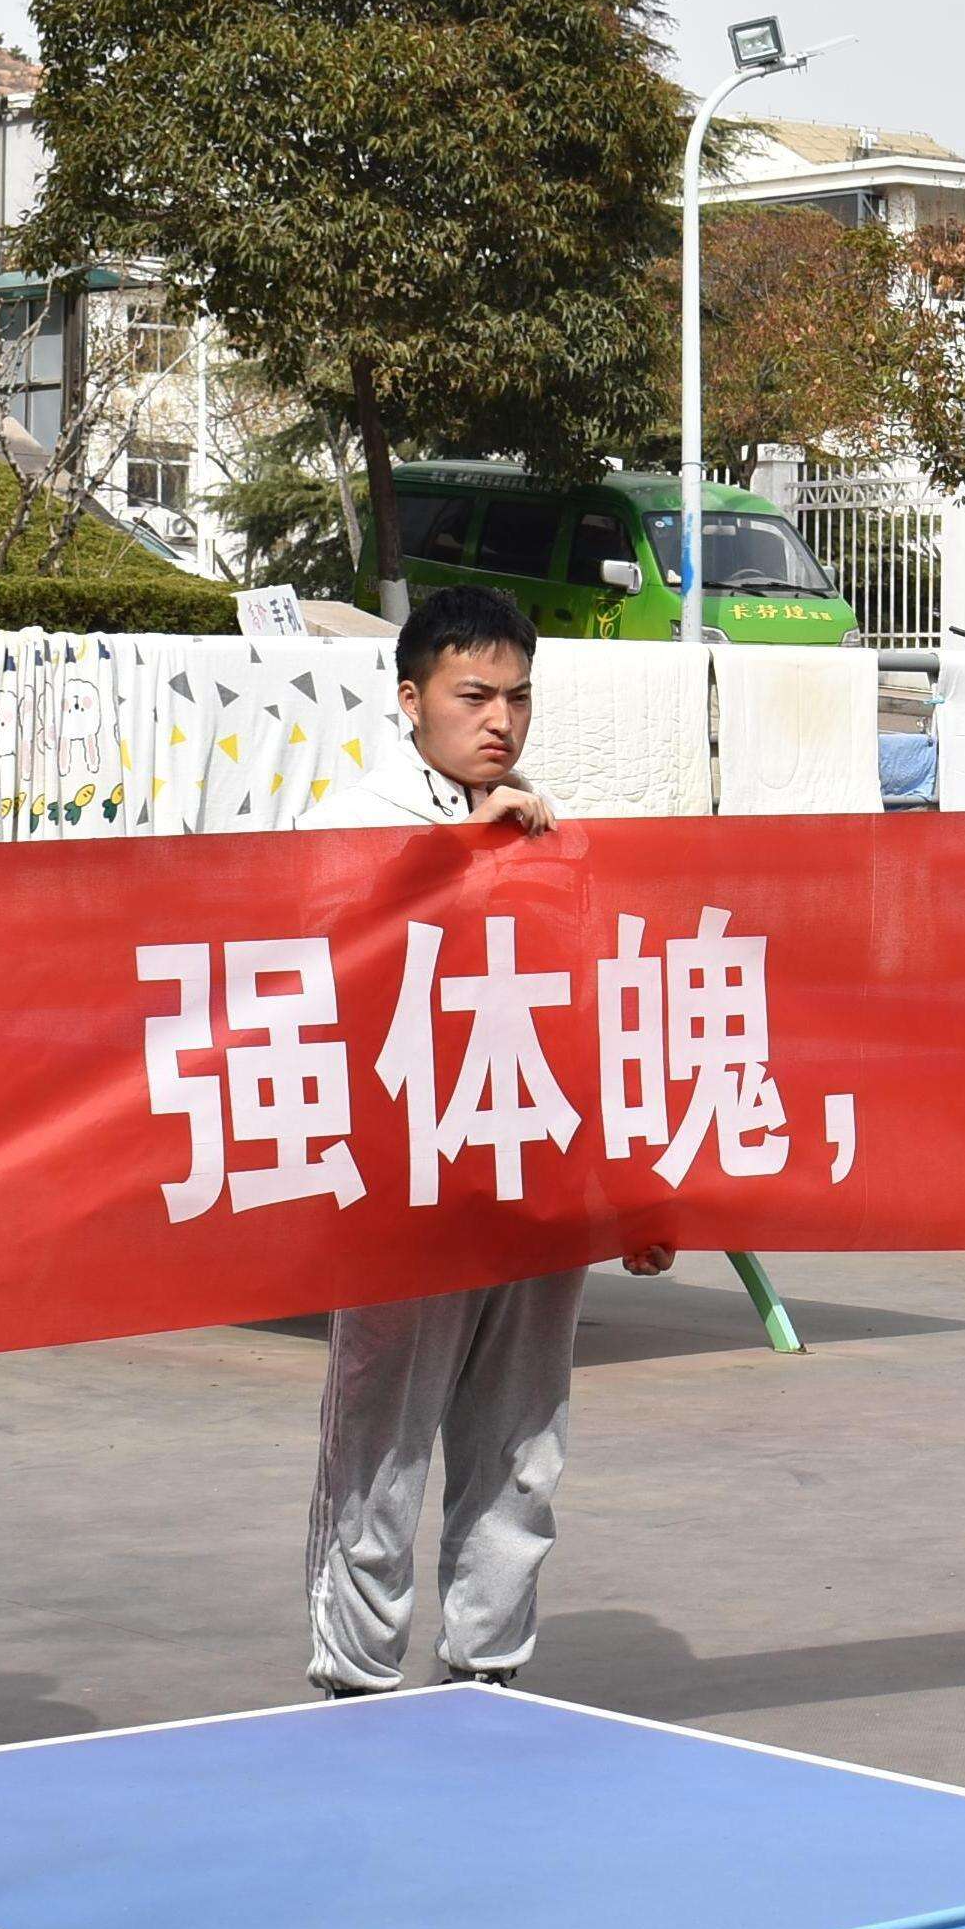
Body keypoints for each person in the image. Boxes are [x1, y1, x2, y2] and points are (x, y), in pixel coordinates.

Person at [298, 586, 675, 1695]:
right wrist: (461, 852)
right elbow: (325, 966)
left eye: (517, 696)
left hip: (529, 1178)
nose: (499, 719)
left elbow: (589, 1020)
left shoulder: (547, 834)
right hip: (404, 1186)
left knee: (520, 1447)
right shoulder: (350, 818)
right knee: (382, 1449)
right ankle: (355, 1679)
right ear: (409, 698)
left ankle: (487, 1670)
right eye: (473, 696)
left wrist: (630, 1191)